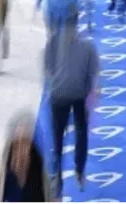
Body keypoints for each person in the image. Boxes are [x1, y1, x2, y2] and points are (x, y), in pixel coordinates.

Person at [44, 16, 100, 199]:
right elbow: (94, 77)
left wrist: (54, 83)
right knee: (81, 132)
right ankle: (79, 170)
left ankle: (56, 181)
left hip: (59, 96)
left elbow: (47, 68)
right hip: (77, 95)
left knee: (58, 139)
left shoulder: (53, 43)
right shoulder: (88, 47)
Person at [0, 111, 52, 202]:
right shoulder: (4, 176)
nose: (21, 149)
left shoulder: (40, 173)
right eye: (17, 143)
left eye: (25, 142)